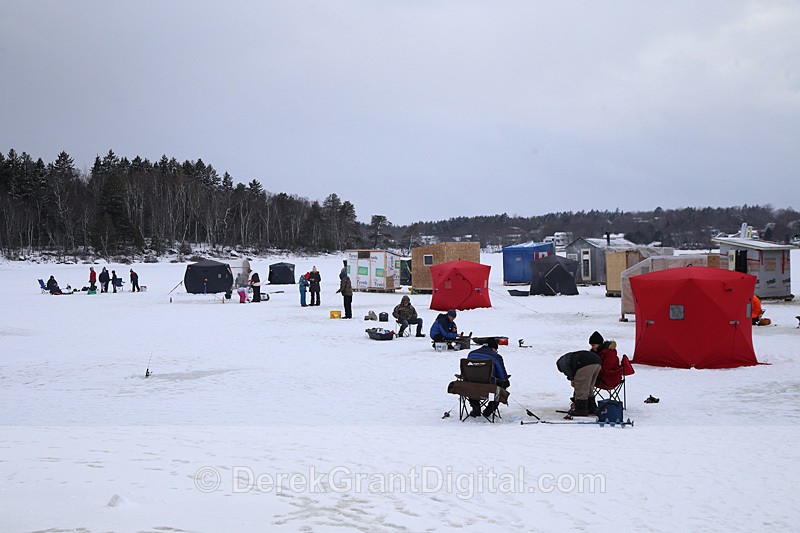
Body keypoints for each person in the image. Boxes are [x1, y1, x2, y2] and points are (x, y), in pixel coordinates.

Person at [466, 337, 510, 418]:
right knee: (501, 386)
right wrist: (506, 382)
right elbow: (502, 376)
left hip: (470, 386)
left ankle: (475, 407)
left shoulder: (471, 354)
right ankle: (489, 410)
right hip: (489, 386)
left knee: (474, 383)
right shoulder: (496, 357)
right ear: (493, 348)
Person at [556, 350, 601, 416]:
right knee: (589, 387)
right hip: (597, 363)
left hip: (585, 364)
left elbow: (568, 371)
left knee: (581, 387)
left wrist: (572, 379)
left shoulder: (562, 363)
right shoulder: (570, 357)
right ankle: (592, 408)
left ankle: (581, 410)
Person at [589, 331, 619, 407]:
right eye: (591, 345)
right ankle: (584, 402)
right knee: (582, 380)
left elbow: (606, 369)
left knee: (583, 381)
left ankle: (585, 404)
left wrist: (592, 374)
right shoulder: (598, 353)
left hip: (609, 379)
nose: (592, 347)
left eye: (594, 345)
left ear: (599, 344)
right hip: (602, 376)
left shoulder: (609, 354)